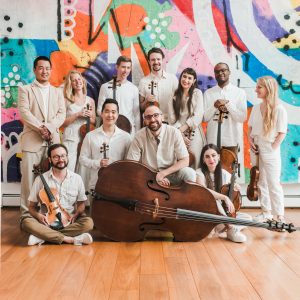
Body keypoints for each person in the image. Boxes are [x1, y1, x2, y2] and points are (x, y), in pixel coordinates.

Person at [20, 143, 94, 246]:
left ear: (67, 157)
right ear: (50, 159)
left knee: (88, 223)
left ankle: (42, 236)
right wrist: (38, 216)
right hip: (47, 223)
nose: (60, 159)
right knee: (25, 222)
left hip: (69, 221)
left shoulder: (77, 178)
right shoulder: (40, 179)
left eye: (63, 156)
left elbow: (81, 204)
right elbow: (31, 207)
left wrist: (76, 214)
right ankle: (70, 239)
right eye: (56, 157)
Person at [18, 56, 66, 212]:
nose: (44, 71)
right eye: (40, 68)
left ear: (51, 70)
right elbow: (24, 112)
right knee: (29, 181)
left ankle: (50, 215)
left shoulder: (58, 91)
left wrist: (49, 128)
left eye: (47, 68)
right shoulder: (25, 89)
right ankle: (27, 217)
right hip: (32, 142)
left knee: (53, 180)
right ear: (34, 70)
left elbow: (61, 114)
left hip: (53, 142)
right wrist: (41, 128)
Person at [248, 76, 287, 224]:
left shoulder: (279, 109)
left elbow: (282, 133)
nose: (256, 90)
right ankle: (266, 213)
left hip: (269, 148)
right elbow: (250, 127)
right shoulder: (256, 107)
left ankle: (280, 216)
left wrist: (272, 148)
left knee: (273, 182)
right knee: (260, 181)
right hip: (256, 147)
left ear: (268, 89)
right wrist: (250, 141)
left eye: (259, 87)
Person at [127, 105, 196, 186]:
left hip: (171, 174)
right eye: (148, 117)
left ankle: (184, 198)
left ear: (162, 117)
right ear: (144, 121)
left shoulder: (174, 132)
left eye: (156, 115)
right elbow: (131, 164)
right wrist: (152, 177)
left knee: (190, 173)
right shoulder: (139, 136)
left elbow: (185, 160)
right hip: (148, 176)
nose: (152, 119)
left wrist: (163, 174)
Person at [196, 144, 247, 243]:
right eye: (207, 156)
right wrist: (224, 197)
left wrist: (235, 188)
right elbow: (205, 192)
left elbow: (233, 191)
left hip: (221, 213)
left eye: (213, 155)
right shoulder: (199, 173)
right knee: (215, 201)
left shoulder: (224, 173)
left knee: (247, 218)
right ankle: (230, 227)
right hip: (206, 211)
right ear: (203, 159)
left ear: (218, 157)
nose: (211, 159)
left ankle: (222, 227)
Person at [80, 99, 131, 193]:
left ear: (118, 115)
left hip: (118, 184)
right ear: (101, 113)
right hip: (96, 184)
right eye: (107, 111)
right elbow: (82, 159)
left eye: (113, 112)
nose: (110, 115)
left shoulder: (126, 137)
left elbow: (129, 163)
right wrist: (98, 163)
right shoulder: (90, 136)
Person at [203, 62, 247, 152]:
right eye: (217, 71)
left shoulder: (239, 92)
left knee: (232, 165)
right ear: (214, 74)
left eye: (223, 70)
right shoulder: (208, 93)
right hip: (213, 137)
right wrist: (214, 106)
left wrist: (228, 104)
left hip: (232, 138)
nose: (220, 73)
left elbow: (242, 118)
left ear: (229, 72)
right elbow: (204, 118)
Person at [168, 68, 206, 169]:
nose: (186, 80)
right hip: (177, 132)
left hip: (194, 132)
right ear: (180, 78)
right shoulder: (174, 94)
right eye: (184, 76)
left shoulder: (197, 93)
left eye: (189, 78)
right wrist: (179, 133)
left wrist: (182, 129)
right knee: (179, 161)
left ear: (193, 81)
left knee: (196, 160)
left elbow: (198, 115)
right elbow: (171, 118)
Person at [61, 70, 96, 172]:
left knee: (83, 169)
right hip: (70, 138)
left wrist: (89, 116)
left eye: (79, 79)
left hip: (85, 136)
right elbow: (62, 122)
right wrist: (77, 114)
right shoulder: (66, 100)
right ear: (70, 83)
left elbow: (93, 121)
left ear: (82, 80)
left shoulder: (90, 100)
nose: (77, 82)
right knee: (69, 167)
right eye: (74, 80)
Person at [97, 56, 140, 135]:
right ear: (117, 67)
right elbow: (99, 110)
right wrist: (112, 118)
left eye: (128, 68)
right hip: (109, 129)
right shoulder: (105, 87)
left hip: (128, 129)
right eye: (123, 67)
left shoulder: (134, 89)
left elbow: (136, 113)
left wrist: (137, 133)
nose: (125, 70)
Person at [139, 47, 178, 123]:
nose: (156, 62)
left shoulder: (172, 79)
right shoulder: (143, 81)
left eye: (158, 59)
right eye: (153, 60)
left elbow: (179, 102)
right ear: (149, 61)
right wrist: (146, 101)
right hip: (152, 123)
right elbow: (140, 108)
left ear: (162, 60)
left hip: (170, 122)